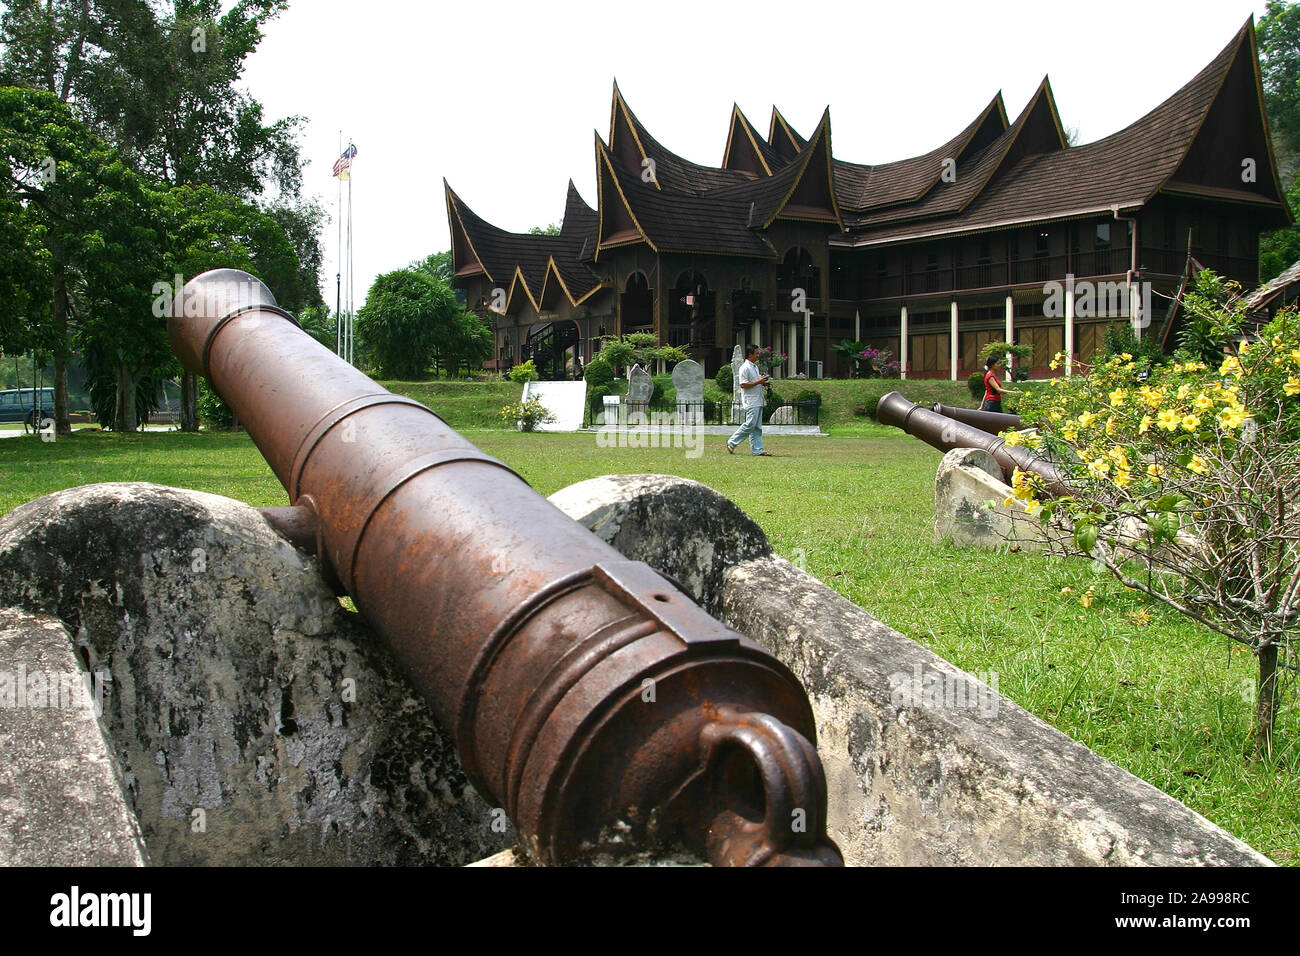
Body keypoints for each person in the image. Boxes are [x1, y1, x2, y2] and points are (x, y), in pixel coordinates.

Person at [726, 344, 771, 456]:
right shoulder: (744, 367)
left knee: (757, 427)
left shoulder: (754, 367)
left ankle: (757, 450)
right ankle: (732, 442)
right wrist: (758, 382)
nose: (758, 355)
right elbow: (743, 384)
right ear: (750, 354)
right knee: (750, 424)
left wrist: (763, 383)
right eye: (756, 353)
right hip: (750, 401)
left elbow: (754, 382)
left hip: (758, 399)